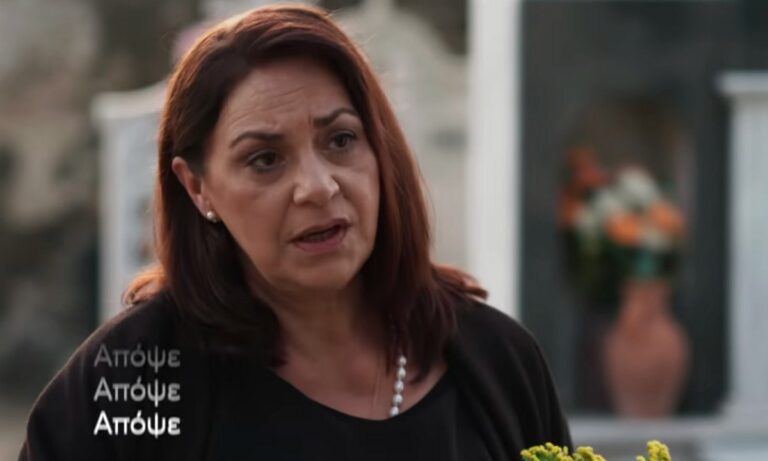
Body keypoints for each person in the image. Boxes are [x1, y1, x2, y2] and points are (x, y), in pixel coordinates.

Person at [19, 5, 572, 460]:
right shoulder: (140, 377)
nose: (317, 187)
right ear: (197, 188)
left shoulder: (494, 359)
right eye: (265, 159)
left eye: (340, 141)